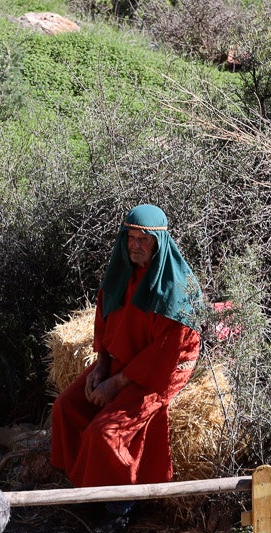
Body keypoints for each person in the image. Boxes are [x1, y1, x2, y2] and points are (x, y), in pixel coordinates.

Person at [50, 204, 202, 490]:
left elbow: (163, 355)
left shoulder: (178, 292)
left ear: (159, 241)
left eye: (144, 239)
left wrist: (115, 384)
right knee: (65, 407)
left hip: (158, 373)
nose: (136, 245)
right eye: (130, 238)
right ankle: (80, 483)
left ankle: (119, 506)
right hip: (120, 360)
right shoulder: (120, 275)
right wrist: (102, 365)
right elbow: (104, 322)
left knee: (105, 433)